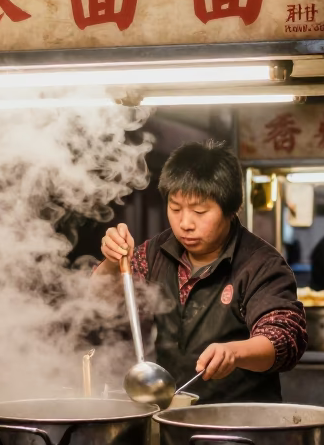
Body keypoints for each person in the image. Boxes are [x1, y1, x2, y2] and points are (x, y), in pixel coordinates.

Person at [97, 141, 307, 404]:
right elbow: (97, 305)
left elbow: (285, 339)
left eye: (199, 211)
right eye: (175, 209)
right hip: (169, 418)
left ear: (231, 210)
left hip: (240, 427)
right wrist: (109, 262)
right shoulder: (153, 253)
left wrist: (234, 352)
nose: (185, 223)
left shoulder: (261, 264)